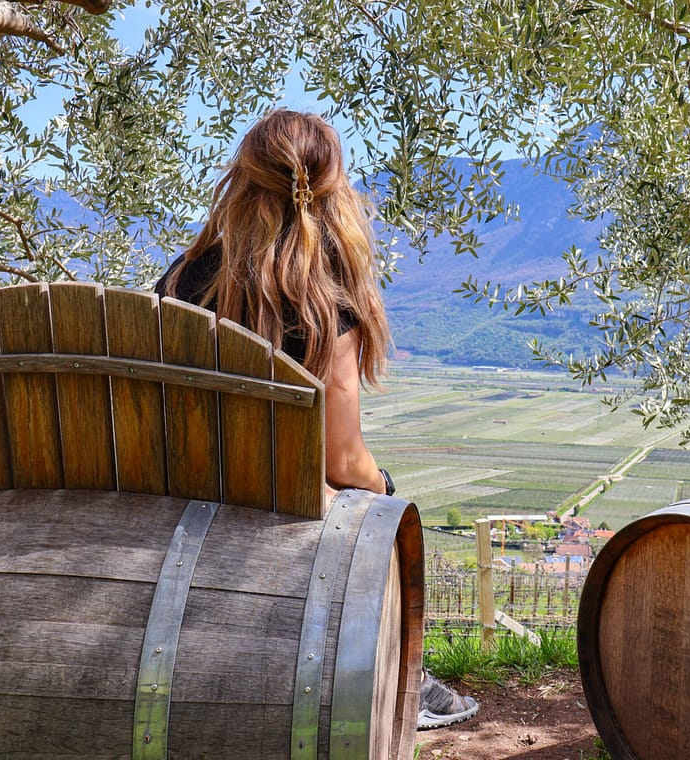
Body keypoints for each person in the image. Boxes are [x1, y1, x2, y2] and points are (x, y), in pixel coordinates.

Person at [154, 108, 478, 731]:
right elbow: (340, 459)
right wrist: (383, 484)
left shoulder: (180, 278)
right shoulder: (327, 298)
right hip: (281, 512)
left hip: (181, 502)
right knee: (382, 498)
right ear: (334, 191)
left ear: (241, 182)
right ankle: (407, 675)